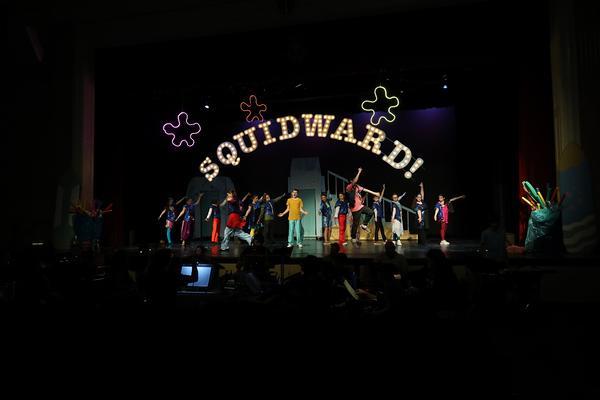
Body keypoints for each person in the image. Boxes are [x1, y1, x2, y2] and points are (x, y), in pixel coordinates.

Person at [346, 167, 381, 243]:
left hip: (360, 206)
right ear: (351, 181)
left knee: (371, 212)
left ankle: (364, 225)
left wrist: (375, 193)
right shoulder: (349, 187)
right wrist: (359, 172)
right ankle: (353, 237)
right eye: (353, 180)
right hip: (355, 208)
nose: (355, 181)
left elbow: (365, 189)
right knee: (356, 223)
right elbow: (355, 181)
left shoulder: (357, 186)